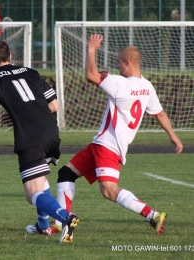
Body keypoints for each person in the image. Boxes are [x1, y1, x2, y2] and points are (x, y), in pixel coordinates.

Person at [27, 34, 184, 237]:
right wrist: (173, 135)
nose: (117, 67)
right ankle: (60, 221)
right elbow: (160, 113)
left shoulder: (120, 84)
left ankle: (152, 215)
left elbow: (91, 76)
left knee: (109, 190)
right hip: (100, 144)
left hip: (108, 147)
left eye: (119, 63)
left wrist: (92, 49)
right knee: (66, 173)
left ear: (127, 63)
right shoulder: (147, 87)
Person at [0, 40, 79, 243]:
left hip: (30, 137)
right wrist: (24, 113)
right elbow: (54, 105)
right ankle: (43, 226)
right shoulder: (31, 72)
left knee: (31, 194)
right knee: (40, 182)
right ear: (10, 57)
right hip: (51, 132)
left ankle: (65, 217)